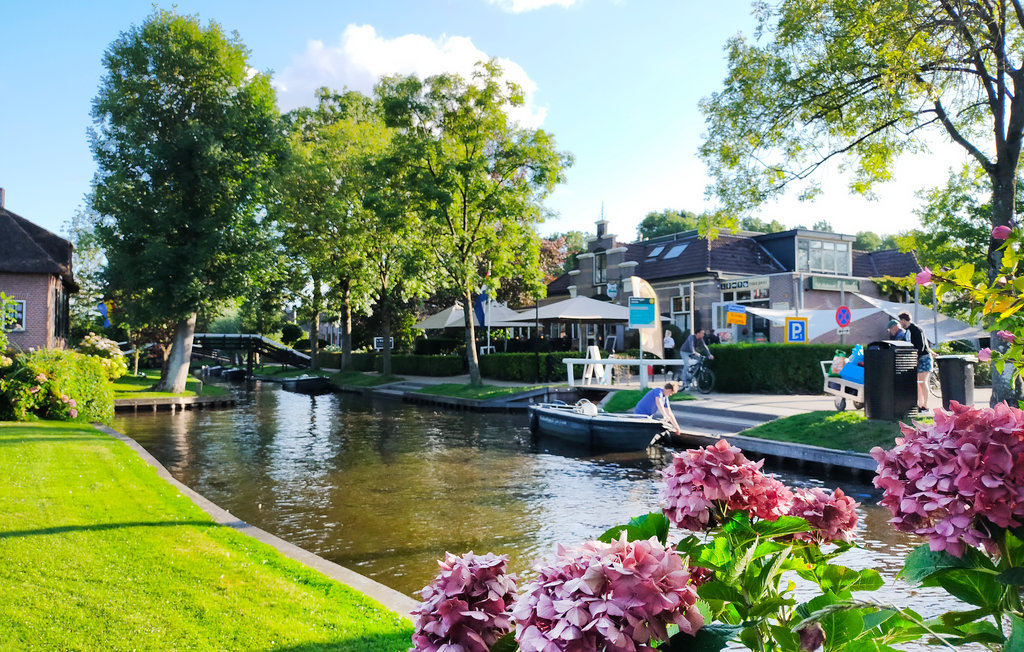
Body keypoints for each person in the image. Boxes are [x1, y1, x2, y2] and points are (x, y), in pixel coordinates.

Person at [898, 311, 932, 413]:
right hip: (917, 358)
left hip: (923, 358)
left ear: (904, 320)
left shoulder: (915, 329)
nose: (900, 323)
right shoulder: (909, 330)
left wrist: (915, 357)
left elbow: (920, 346)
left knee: (922, 381)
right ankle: (920, 404)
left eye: (900, 321)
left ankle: (925, 405)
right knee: (918, 383)